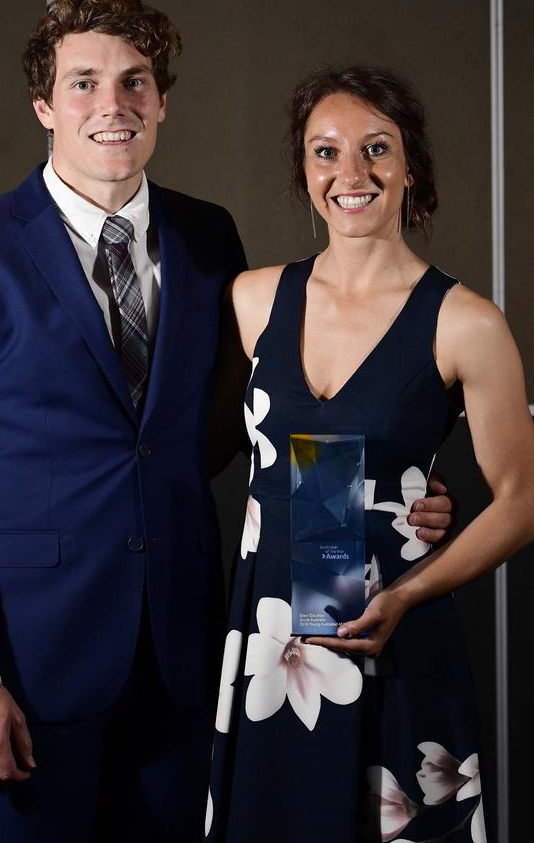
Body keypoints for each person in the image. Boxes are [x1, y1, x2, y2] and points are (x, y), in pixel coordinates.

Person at [0, 0, 453, 842]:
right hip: (35, 666)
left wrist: (390, 496)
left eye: (134, 82)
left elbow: (257, 427)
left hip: (194, 657)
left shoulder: (207, 239)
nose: (110, 106)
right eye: (83, 83)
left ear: (161, 102)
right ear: (44, 106)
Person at [206, 66, 534, 843]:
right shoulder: (252, 300)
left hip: (396, 626)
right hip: (270, 642)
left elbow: (522, 500)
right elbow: (204, 449)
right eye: (326, 153)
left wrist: (407, 590)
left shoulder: (465, 322)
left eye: (376, 149)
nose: (351, 174)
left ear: (410, 163)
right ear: (303, 172)